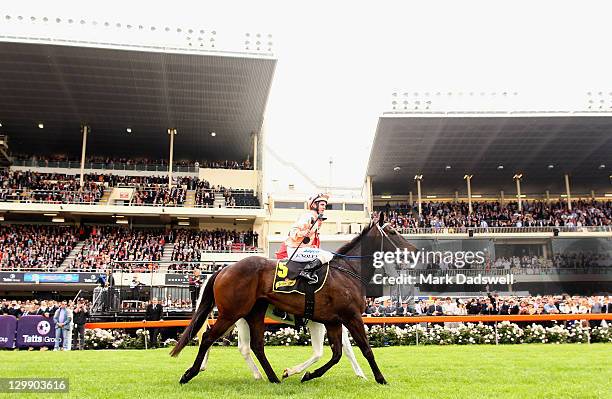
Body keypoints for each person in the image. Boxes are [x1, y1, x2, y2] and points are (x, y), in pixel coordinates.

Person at [276, 193, 333, 284]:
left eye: (325, 205)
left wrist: (311, 247)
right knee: (328, 255)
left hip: (301, 249)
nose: (324, 207)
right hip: (295, 250)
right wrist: (302, 233)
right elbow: (292, 232)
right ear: (314, 205)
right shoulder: (308, 216)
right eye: (322, 204)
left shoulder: (315, 219)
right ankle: (306, 272)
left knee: (326, 254)